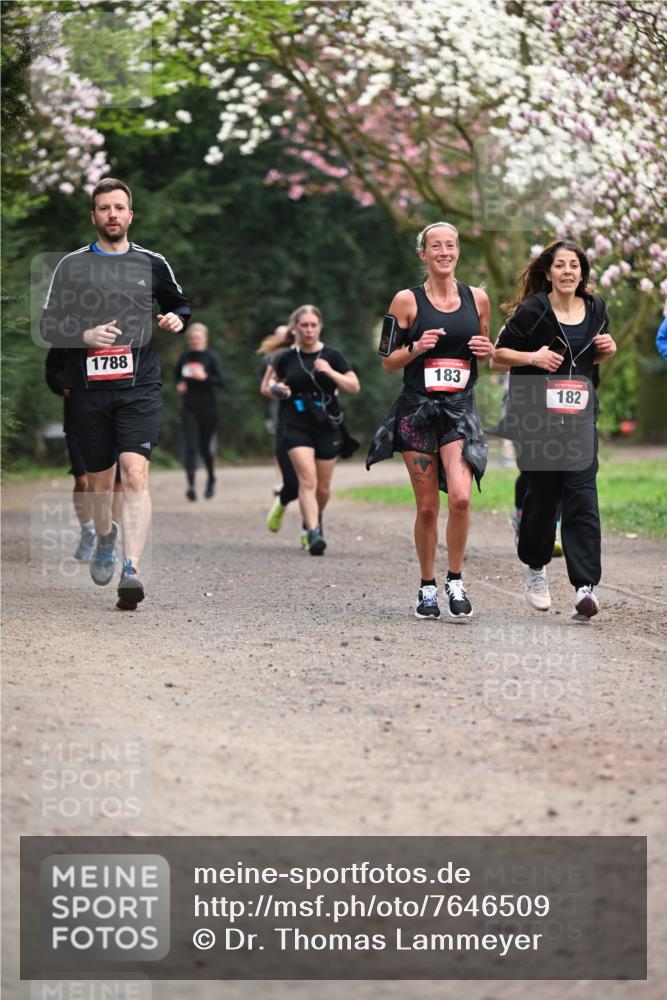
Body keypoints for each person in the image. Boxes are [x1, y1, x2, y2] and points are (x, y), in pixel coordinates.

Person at [40, 177, 191, 610]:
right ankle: (105, 536)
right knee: (101, 484)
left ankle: (131, 568)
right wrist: (83, 333)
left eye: (119, 207)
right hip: (89, 390)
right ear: (94, 217)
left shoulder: (152, 262)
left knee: (135, 473)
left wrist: (175, 319)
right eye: (104, 208)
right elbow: (49, 325)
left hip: (139, 385)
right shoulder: (71, 266)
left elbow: (179, 303)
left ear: (130, 215)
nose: (112, 215)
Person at [366, 222, 493, 620]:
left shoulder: (479, 299)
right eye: (435, 246)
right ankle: (426, 587)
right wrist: (416, 348)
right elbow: (387, 362)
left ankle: (455, 579)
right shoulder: (406, 300)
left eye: (450, 245)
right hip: (417, 411)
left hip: (458, 411)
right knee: (426, 509)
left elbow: (485, 352)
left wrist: (487, 350)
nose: (444, 252)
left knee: (460, 497)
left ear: (458, 252)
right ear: (423, 254)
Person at [494, 239, 616, 620]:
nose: (568, 272)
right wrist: (533, 357)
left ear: (583, 273)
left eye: (574, 266)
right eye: (560, 265)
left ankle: (584, 586)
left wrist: (605, 348)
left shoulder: (596, 309)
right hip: (535, 415)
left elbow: (586, 360)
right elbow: (497, 355)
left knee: (582, 496)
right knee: (543, 497)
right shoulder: (533, 310)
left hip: (579, 415)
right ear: (548, 273)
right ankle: (535, 568)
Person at [261, 304, 360, 555]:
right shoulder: (284, 357)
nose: (308, 330)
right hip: (294, 421)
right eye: (303, 325)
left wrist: (330, 372)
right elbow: (266, 385)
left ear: (320, 326)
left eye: (313, 325)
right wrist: (277, 389)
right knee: (308, 479)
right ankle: (314, 533)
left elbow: (354, 386)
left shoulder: (333, 355)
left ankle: (312, 520)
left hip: (326, 423)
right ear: (295, 328)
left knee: (323, 488)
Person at [45, 348, 123, 560]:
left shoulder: (123, 331)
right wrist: (64, 383)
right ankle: (88, 530)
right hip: (78, 419)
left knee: (117, 484)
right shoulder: (68, 336)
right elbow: (52, 371)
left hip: (116, 418)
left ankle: (109, 536)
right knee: (82, 480)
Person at [256, 323, 302, 541]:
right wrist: (278, 387)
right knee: (283, 448)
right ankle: (281, 481)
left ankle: (311, 529)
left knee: (310, 480)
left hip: (310, 415)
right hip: (281, 408)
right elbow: (263, 385)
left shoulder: (314, 355)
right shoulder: (274, 358)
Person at [175, 322, 226, 500]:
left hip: (208, 407)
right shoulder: (185, 357)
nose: (195, 340)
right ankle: (191, 486)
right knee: (191, 447)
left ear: (205, 338)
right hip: (189, 407)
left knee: (205, 447)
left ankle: (211, 478)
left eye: (198, 337)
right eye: (192, 338)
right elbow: (177, 378)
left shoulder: (211, 357)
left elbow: (222, 381)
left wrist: (205, 377)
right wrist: (180, 385)